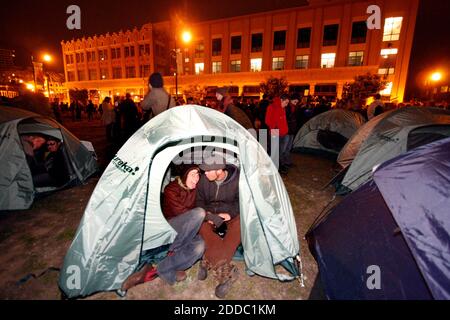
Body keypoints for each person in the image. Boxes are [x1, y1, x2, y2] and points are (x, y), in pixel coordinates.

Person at [121, 165, 206, 291]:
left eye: (198, 174)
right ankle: (174, 251)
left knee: (200, 246)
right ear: (184, 175)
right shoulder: (171, 189)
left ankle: (160, 269)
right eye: (192, 174)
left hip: (188, 231)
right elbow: (181, 213)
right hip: (170, 227)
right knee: (199, 213)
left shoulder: (196, 189)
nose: (196, 178)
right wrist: (203, 215)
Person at [196, 153, 241, 299]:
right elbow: (199, 201)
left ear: (220, 170)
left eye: (209, 170)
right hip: (210, 216)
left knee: (241, 223)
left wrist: (230, 214)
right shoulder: (204, 180)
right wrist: (208, 215)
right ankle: (226, 273)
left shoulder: (238, 179)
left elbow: (242, 202)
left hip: (229, 215)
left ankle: (208, 260)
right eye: (205, 170)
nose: (205, 173)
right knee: (201, 225)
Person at [265, 94, 290, 174]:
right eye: (285, 103)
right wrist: (275, 127)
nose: (286, 105)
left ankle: (279, 166)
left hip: (283, 132)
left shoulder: (283, 109)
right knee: (274, 151)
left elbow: (283, 120)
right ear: (281, 100)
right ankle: (273, 167)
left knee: (279, 151)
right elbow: (267, 120)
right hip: (275, 132)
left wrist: (285, 130)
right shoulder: (271, 107)